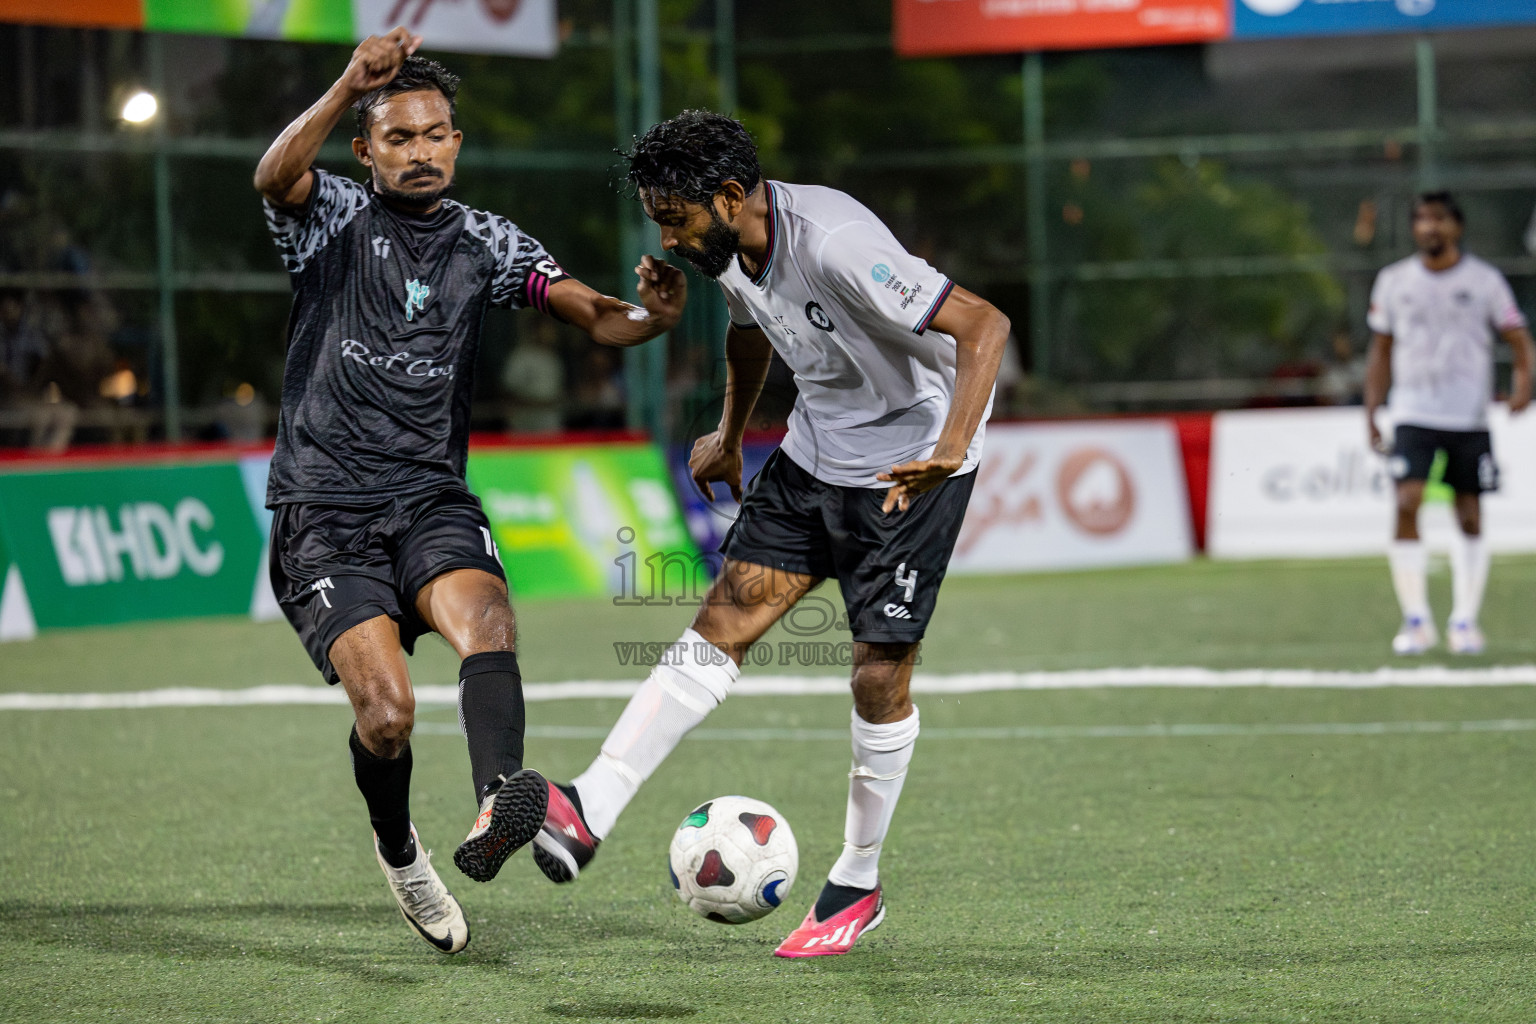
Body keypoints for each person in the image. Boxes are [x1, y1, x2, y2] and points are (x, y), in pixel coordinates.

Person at [530, 111, 1009, 958]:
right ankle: (590, 803)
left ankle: (857, 882)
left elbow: (984, 325)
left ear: (727, 196)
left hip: (910, 466)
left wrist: (949, 449)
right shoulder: (728, 249)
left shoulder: (834, 241)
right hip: (814, 452)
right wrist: (728, 431)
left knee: (874, 678)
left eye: (676, 219)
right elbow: (748, 330)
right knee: (723, 624)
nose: (669, 239)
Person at [252, 30, 685, 954]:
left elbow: (596, 315)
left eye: (437, 134)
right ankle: (401, 851)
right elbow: (272, 177)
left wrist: (656, 316)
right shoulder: (330, 212)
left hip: (428, 494)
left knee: (489, 624)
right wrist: (347, 84)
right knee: (389, 715)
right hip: (324, 507)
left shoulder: (486, 240)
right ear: (365, 151)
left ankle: (500, 801)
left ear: (457, 140)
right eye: (399, 138)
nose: (422, 152)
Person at [1365, 191, 1533, 656]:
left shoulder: (1485, 281)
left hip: (1468, 416)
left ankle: (1465, 620)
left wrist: (1523, 385)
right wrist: (1371, 410)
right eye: (1420, 219)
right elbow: (1379, 351)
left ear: (1456, 227)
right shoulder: (1393, 281)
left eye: (1438, 219)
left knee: (1469, 513)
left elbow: (1518, 339)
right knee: (1406, 501)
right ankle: (1416, 619)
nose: (1428, 228)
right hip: (1414, 411)